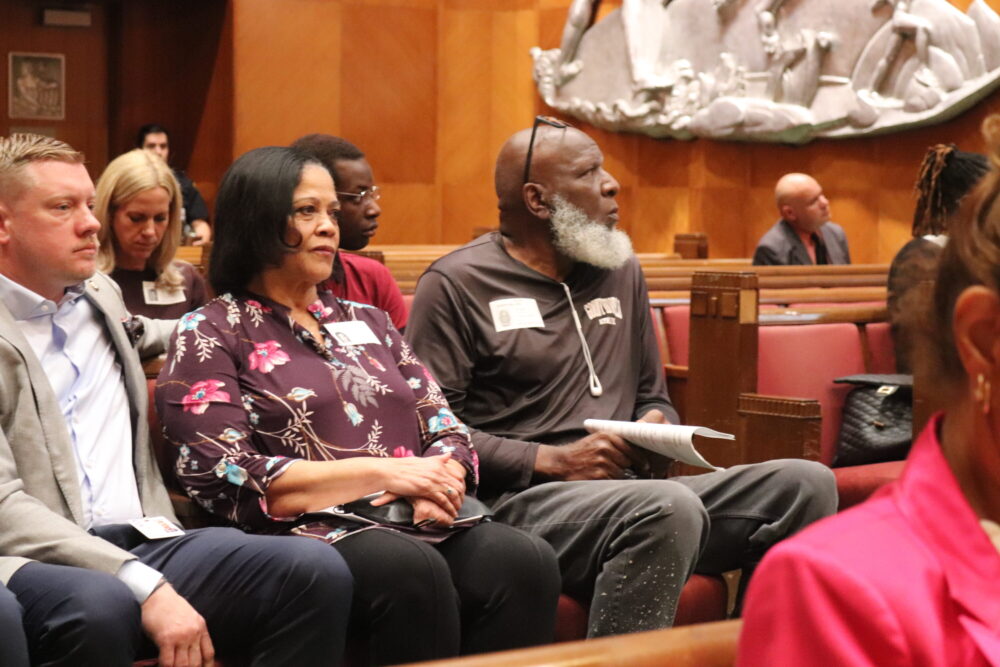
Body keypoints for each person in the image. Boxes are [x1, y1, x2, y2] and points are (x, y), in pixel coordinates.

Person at [405, 118, 837, 638]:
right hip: (522, 503)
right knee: (666, 506)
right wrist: (551, 460)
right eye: (589, 173)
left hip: (631, 488)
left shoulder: (620, 269)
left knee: (807, 485)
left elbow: (653, 393)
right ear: (539, 200)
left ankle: (763, 651)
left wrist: (657, 426)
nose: (612, 184)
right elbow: (429, 432)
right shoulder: (457, 284)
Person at [156, 146, 560, 666]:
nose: (328, 226)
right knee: (410, 569)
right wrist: (391, 475)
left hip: (416, 513)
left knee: (525, 559)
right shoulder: (211, 330)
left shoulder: (368, 321)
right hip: (304, 529)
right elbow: (225, 471)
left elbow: (445, 427)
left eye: (330, 211)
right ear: (257, 220)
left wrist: (441, 484)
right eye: (307, 212)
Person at [0, 133, 353, 666]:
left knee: (312, 570)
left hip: (144, 533)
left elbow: (158, 332)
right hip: (38, 553)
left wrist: (248, 324)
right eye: (62, 208)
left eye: (90, 205)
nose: (91, 224)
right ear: (3, 223)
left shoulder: (99, 294)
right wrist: (143, 584)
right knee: (101, 605)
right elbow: (2, 507)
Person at [737, 115, 1000, 666]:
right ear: (986, 340)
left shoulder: (837, 238)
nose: (828, 207)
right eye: (816, 198)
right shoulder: (834, 589)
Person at [888, 144, 989, 373]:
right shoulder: (921, 257)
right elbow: (928, 345)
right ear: (967, 204)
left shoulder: (976, 252)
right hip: (933, 390)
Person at [291, 133, 407, 330]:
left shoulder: (372, 277)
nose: (374, 210)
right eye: (357, 196)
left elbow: (402, 357)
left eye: (371, 194)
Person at [96, 148, 209, 319]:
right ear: (109, 214)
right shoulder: (85, 283)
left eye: (160, 218)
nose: (149, 231)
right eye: (136, 218)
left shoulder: (188, 280)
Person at [137, 123, 212, 246]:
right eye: (151, 146)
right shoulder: (128, 182)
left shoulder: (183, 184)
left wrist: (199, 241)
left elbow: (200, 224)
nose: (158, 152)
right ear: (140, 150)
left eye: (163, 146)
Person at [752, 172, 851, 265]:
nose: (825, 202)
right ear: (790, 213)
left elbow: (848, 280)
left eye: (821, 195)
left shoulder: (836, 234)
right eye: (813, 201)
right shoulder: (771, 249)